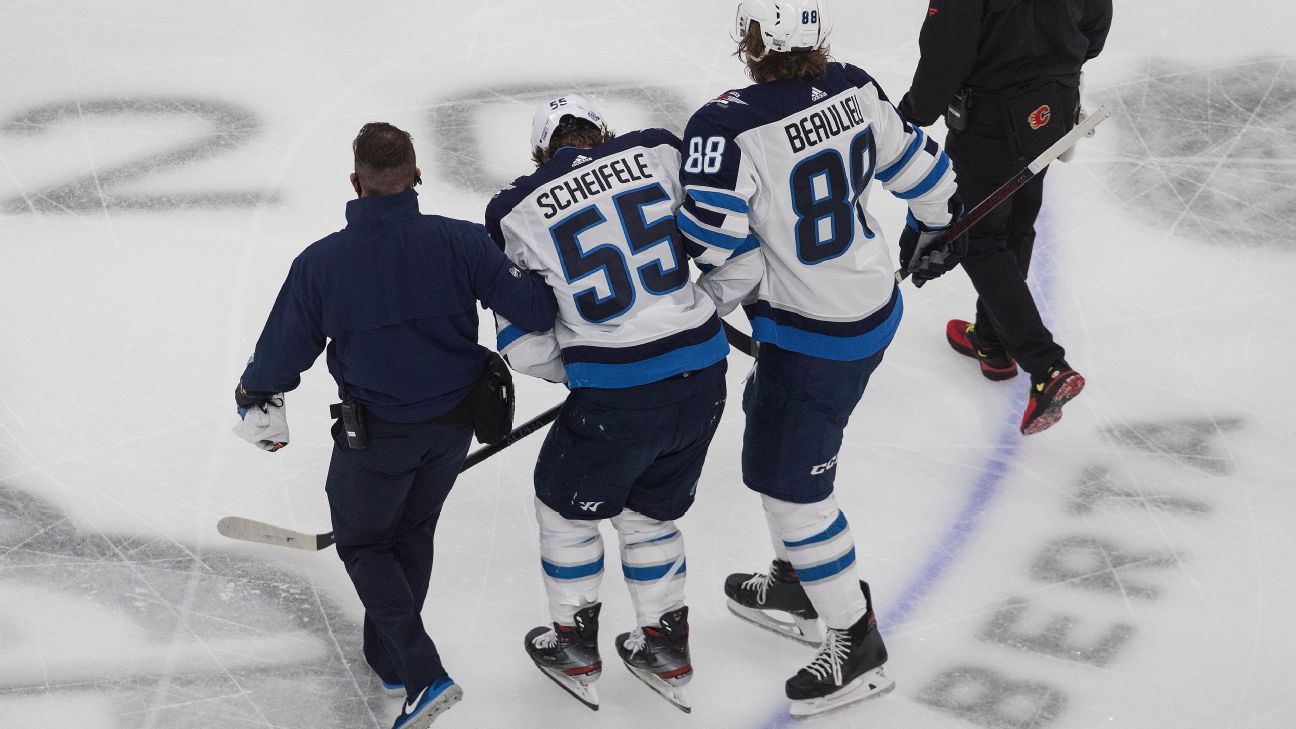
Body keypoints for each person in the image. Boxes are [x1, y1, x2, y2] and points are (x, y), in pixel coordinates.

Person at [676, 0, 968, 718]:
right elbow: (928, 175)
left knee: (794, 489)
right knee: (771, 436)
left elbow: (718, 248)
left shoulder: (726, 125)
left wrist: (683, 317)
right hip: (867, 310)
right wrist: (938, 231)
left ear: (750, 42)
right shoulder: (855, 86)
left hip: (814, 334)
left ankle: (854, 639)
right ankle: (798, 584)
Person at [232, 122, 558, 729]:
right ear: (417, 176)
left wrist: (254, 394)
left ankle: (420, 673)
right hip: (451, 430)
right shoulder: (462, 243)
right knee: (411, 532)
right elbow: (536, 310)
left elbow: (281, 354)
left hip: (377, 439)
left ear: (355, 182)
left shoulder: (322, 264)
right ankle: (386, 657)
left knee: (363, 543)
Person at [483, 95, 730, 714]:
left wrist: (584, 369)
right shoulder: (656, 152)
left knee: (564, 511)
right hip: (703, 377)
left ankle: (573, 645)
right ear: (604, 132)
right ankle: (666, 647)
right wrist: (693, 323)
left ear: (542, 151)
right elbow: (734, 248)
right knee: (650, 515)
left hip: (616, 396)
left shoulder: (514, 208)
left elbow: (522, 345)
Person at [898, 0, 1113, 434]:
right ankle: (994, 342)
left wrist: (910, 115)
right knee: (1017, 223)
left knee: (979, 239)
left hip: (991, 120)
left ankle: (1048, 366)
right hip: (1054, 103)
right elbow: (1095, 28)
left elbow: (946, 54)